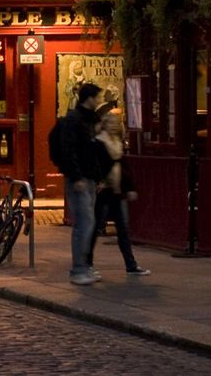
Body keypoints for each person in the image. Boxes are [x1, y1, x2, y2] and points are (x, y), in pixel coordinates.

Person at [87, 111, 150, 277]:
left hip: (117, 191)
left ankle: (131, 265)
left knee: (123, 229)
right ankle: (86, 264)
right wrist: (99, 180)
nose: (114, 126)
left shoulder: (118, 143)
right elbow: (95, 164)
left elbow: (124, 168)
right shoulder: (99, 143)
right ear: (105, 124)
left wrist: (130, 188)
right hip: (104, 190)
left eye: (117, 123)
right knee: (96, 228)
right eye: (111, 123)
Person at [56, 82, 106, 285]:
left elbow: (93, 150)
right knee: (84, 224)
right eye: (98, 97)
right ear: (90, 98)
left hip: (89, 177)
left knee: (89, 223)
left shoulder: (90, 120)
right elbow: (68, 150)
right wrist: (75, 176)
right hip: (80, 179)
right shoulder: (74, 120)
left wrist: (98, 176)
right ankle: (79, 269)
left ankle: (85, 266)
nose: (100, 101)